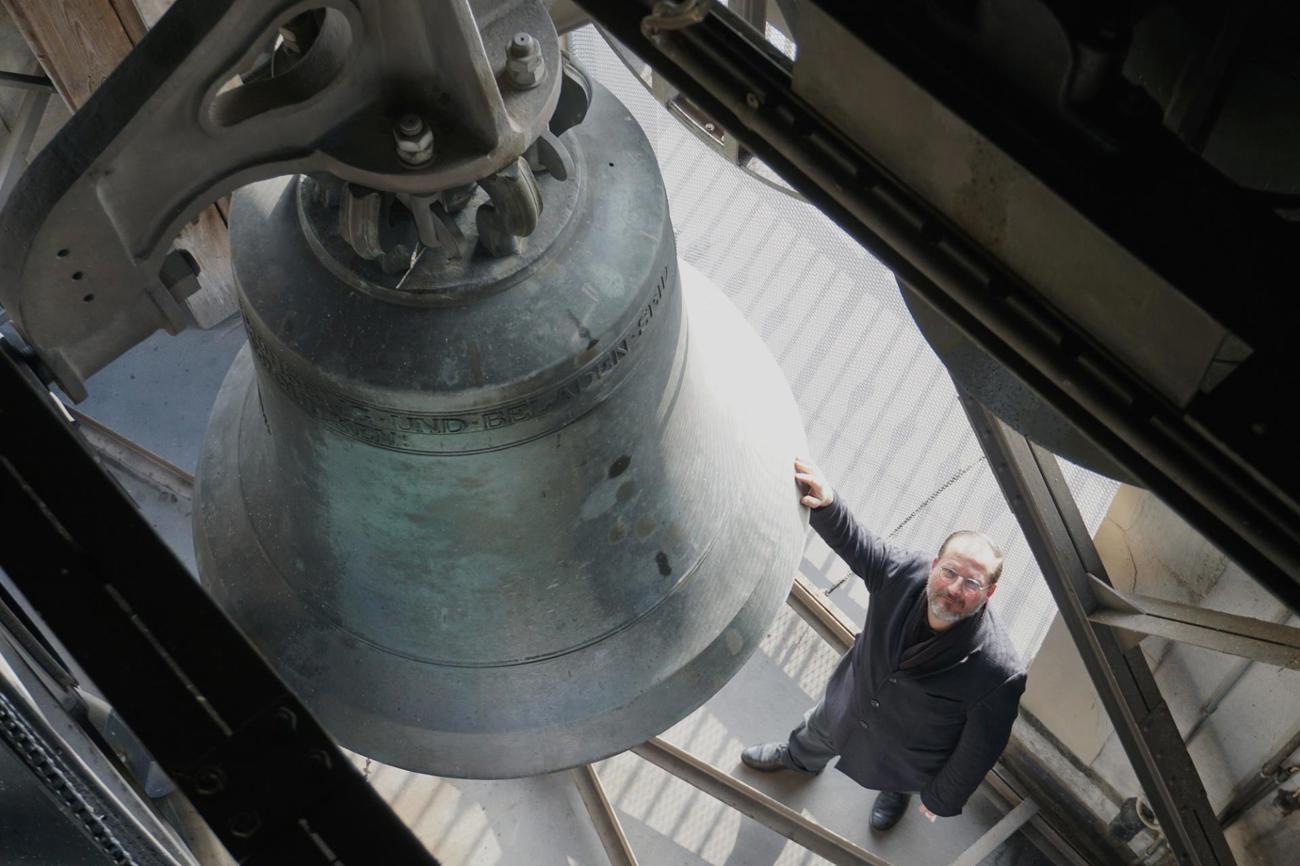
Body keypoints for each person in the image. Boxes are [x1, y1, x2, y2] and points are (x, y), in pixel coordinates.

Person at [741, 458, 1027, 831]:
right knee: (818, 731)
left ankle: (896, 794)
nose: (955, 588)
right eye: (950, 572)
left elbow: (980, 747)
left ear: (990, 592)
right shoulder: (904, 572)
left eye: (972, 584)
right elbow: (860, 545)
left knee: (899, 778)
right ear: (935, 564)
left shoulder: (998, 671)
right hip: (851, 700)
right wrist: (828, 504)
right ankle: (797, 759)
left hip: (908, 753)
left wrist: (941, 798)